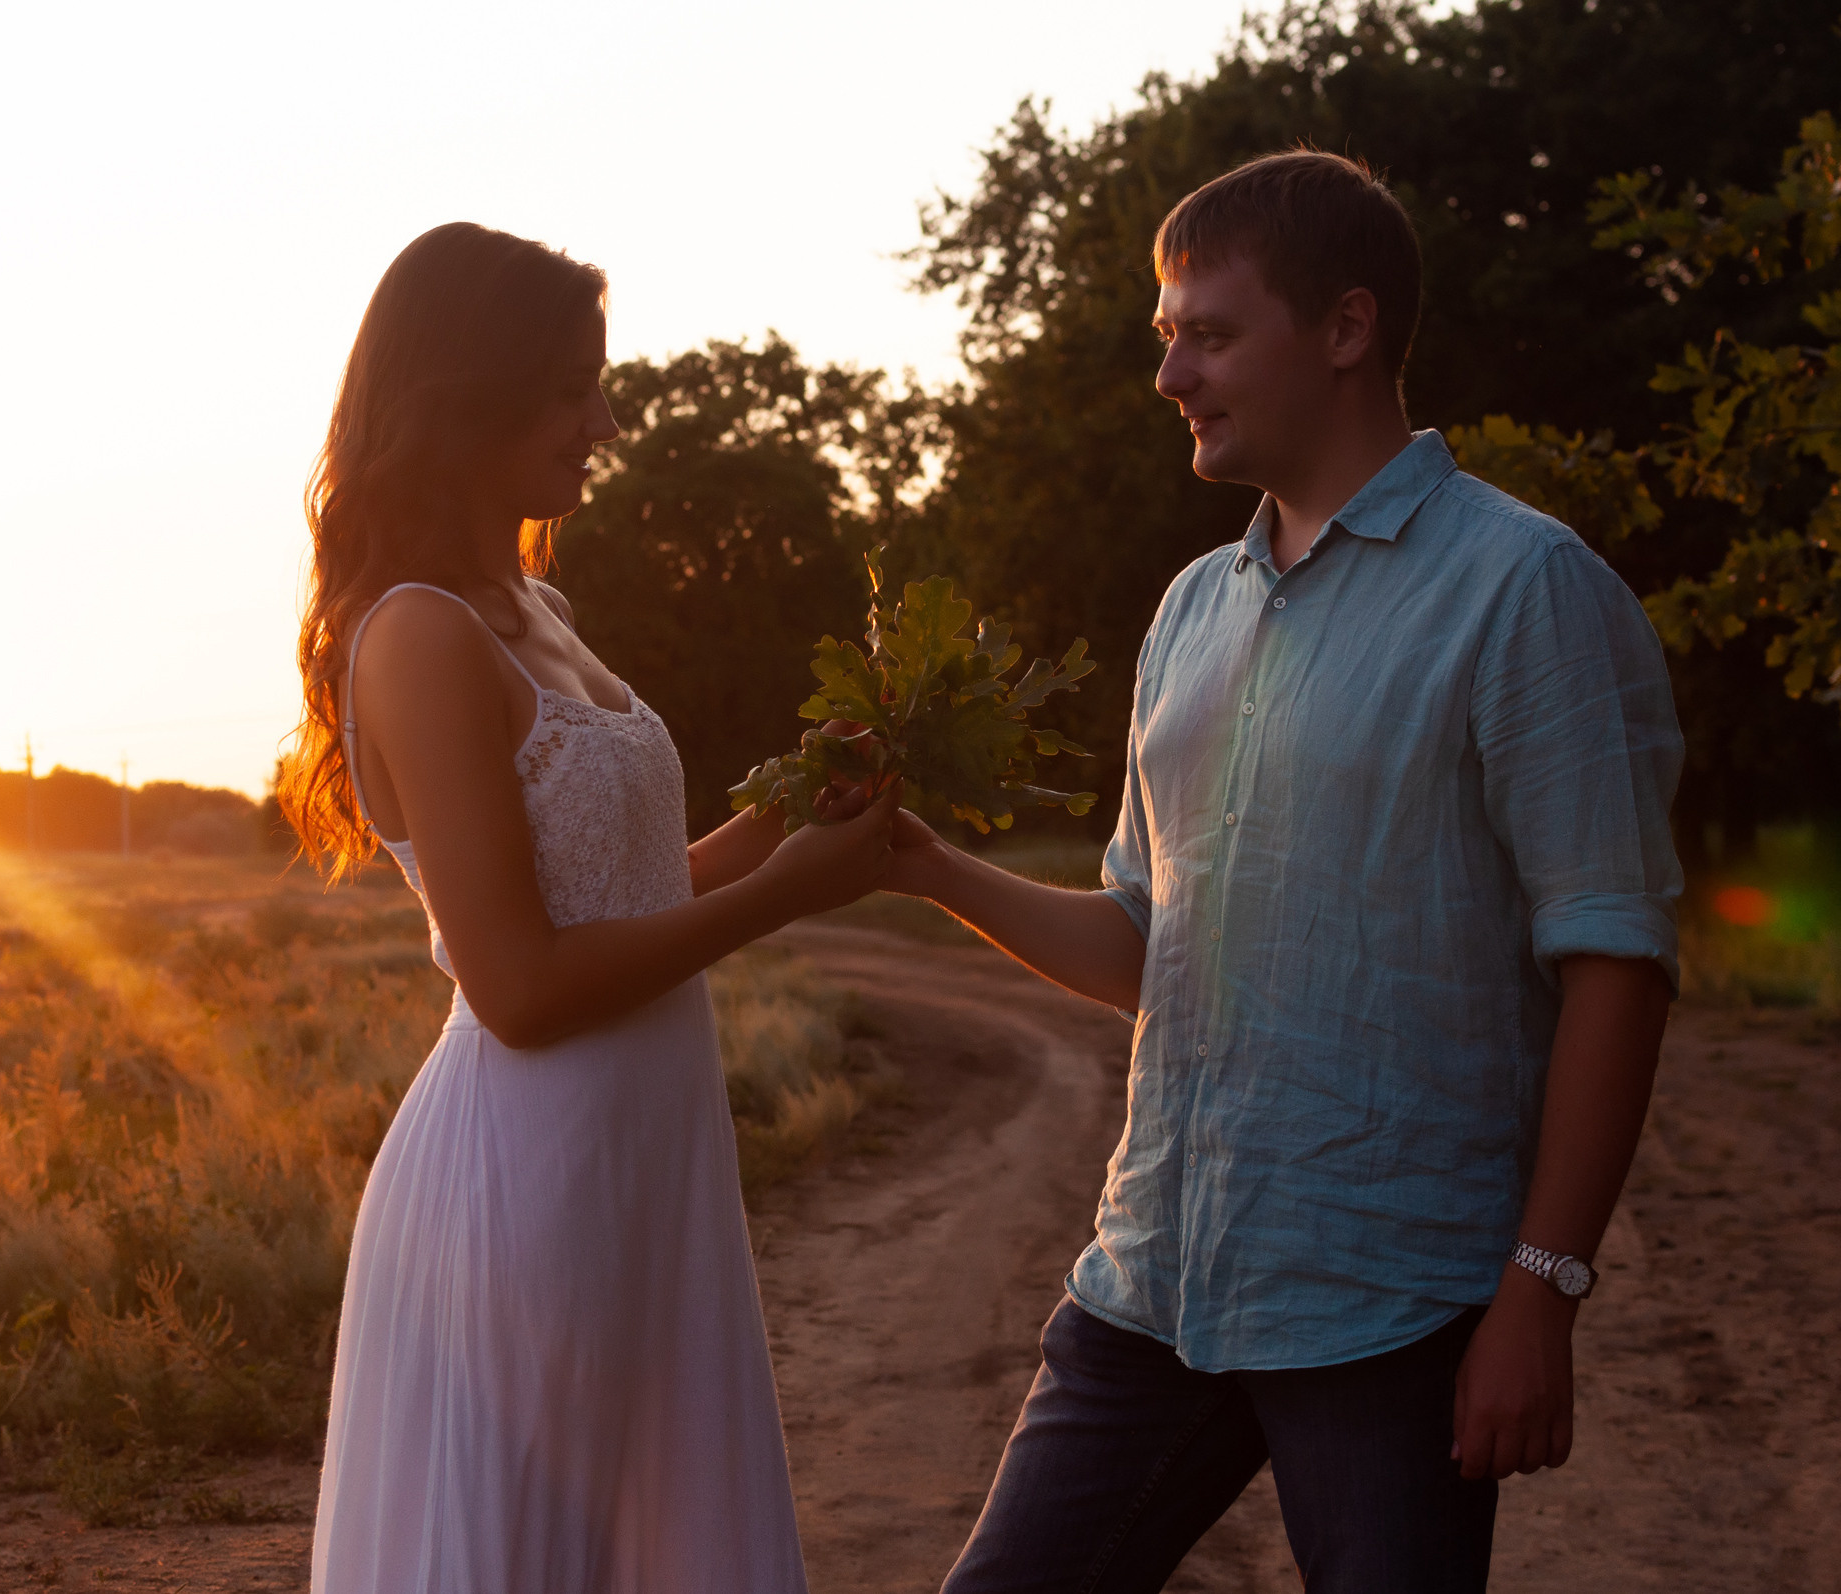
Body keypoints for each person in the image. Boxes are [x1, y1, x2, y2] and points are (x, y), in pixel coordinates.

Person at [880, 152, 1684, 1591]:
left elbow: (1616, 958)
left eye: (1210, 332)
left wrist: (1541, 1290)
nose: (1172, 371)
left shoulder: (1523, 588)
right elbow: (1146, 941)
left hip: (1394, 1301)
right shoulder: (1193, 607)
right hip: (1155, 1281)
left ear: (1347, 328)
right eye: (1165, 336)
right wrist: (926, 864)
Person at [283, 222, 895, 1594]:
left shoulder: (534, 602)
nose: (605, 420)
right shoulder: (421, 632)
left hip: (642, 1171)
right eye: (572, 386)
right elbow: (522, 983)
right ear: (463, 398)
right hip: (524, 1192)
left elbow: (631, 889)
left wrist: (796, 812)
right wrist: (785, 897)